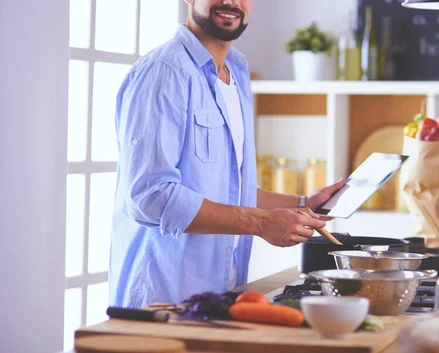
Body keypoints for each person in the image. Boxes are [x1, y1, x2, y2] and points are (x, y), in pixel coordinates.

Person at [108, 0, 345, 309]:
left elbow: (229, 191)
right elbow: (149, 198)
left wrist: (302, 204)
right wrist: (261, 223)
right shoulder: (165, 72)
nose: (232, 2)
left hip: (217, 295)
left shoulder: (236, 73)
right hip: (160, 301)